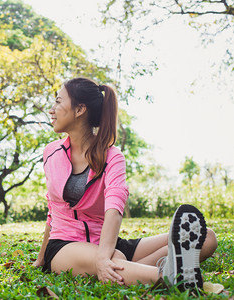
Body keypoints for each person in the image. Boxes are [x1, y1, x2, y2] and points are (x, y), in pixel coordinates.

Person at [33, 77, 218, 289]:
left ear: (79, 110)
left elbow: (114, 206)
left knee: (207, 238)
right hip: (65, 245)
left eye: (58, 101)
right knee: (113, 258)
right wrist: (41, 259)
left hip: (105, 242)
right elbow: (53, 211)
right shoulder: (51, 153)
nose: (52, 109)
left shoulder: (112, 155)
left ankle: (130, 269)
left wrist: (104, 255)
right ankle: (170, 277)